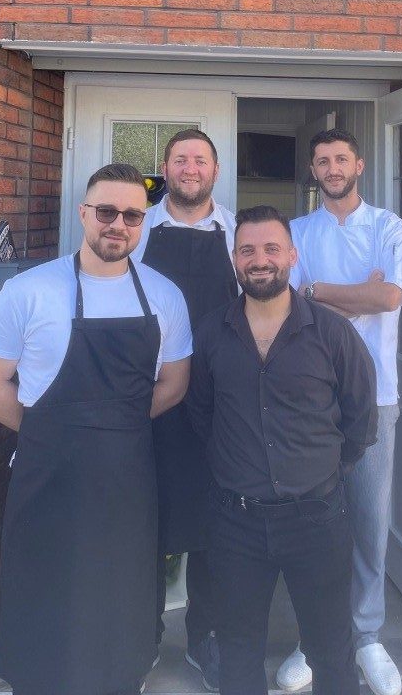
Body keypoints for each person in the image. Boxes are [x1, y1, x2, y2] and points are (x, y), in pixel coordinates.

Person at [0, 163, 192, 695]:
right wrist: (50, 430)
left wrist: (113, 429)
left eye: (132, 215)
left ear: (143, 222)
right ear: (84, 214)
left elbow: (174, 385)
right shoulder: (30, 290)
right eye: (107, 212)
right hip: (47, 478)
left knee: (121, 596)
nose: (118, 224)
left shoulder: (164, 297)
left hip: (127, 480)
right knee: (44, 594)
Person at [187, 205, 378, 695]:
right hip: (236, 524)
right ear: (235, 260)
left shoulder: (333, 333)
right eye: (247, 250)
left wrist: (325, 470)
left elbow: (360, 419)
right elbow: (201, 415)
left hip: (316, 519)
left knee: (332, 654)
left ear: (292, 255)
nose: (260, 259)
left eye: (272, 248)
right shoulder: (211, 332)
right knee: (238, 654)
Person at [277, 128, 402, 695]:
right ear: (313, 169)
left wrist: (321, 292)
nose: (332, 168)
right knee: (316, 523)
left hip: (376, 397)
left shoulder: (388, 227)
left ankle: (368, 637)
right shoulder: (298, 231)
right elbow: (290, 301)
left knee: (369, 523)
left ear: (359, 164)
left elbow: (389, 298)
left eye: (341, 159)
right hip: (314, 398)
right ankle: (314, 638)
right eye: (323, 160)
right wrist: (350, 292)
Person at [132, 128, 237, 691]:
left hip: (219, 402)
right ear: (165, 169)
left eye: (200, 160)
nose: (190, 168)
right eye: (180, 160)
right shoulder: (138, 227)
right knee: (144, 518)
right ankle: (140, 638)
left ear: (215, 172)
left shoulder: (237, 231)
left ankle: (205, 638)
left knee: (213, 525)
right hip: (148, 398)